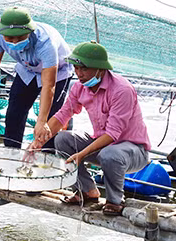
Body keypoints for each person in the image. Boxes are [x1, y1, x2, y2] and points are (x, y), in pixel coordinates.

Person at [29, 42, 151, 216]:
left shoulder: (121, 90)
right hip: (103, 145)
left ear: (100, 69)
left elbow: (112, 134)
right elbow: (63, 115)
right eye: (76, 68)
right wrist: (38, 142)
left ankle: (114, 200)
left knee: (110, 154)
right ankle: (86, 191)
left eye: (84, 69)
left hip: (132, 150)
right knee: (63, 139)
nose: (79, 74)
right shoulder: (79, 86)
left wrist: (82, 154)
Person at [0, 7, 74, 149]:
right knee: (14, 112)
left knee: (50, 121)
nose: (14, 42)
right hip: (27, 70)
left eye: (20, 37)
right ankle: (12, 153)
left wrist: (42, 121)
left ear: (29, 31)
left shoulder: (45, 42)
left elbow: (48, 85)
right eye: (10, 38)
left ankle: (46, 160)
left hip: (58, 73)